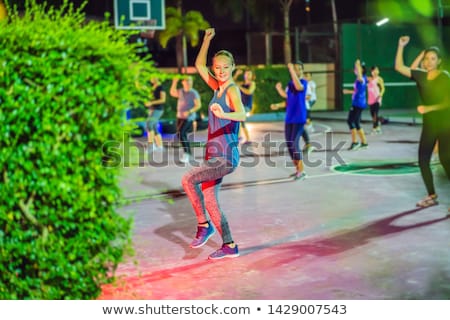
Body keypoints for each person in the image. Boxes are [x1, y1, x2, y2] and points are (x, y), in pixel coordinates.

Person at [181, 28, 246, 260]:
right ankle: (229, 245)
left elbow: (242, 114)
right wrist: (207, 40)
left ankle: (203, 225)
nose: (220, 71)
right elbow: (199, 66)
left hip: (225, 156)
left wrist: (224, 114)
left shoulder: (231, 90)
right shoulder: (217, 87)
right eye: (217, 67)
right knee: (209, 200)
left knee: (188, 179)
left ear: (233, 67)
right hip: (214, 155)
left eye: (225, 67)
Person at [395, 36, 450, 209]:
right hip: (429, 125)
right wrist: (401, 46)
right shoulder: (420, 75)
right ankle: (432, 195)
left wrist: (429, 108)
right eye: (427, 58)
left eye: (433, 58)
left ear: (438, 61)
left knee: (445, 159)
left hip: (445, 123)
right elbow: (399, 67)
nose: (429, 61)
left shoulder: (444, 76)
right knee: (423, 159)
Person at [270, 61, 308, 180]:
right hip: (289, 118)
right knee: (289, 145)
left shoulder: (303, 82)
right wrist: (279, 90)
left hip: (299, 118)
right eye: (295, 69)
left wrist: (291, 70)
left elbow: (299, 87)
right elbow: (288, 97)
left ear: (301, 71)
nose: (297, 71)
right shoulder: (290, 83)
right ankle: (297, 170)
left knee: (295, 144)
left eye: (298, 69)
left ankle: (302, 171)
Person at [170, 76, 201, 163]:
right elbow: (172, 93)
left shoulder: (194, 93)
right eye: (187, 81)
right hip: (179, 116)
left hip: (188, 117)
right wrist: (174, 82)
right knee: (181, 134)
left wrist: (190, 111)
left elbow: (198, 105)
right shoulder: (180, 91)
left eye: (190, 81)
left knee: (182, 133)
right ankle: (188, 153)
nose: (188, 82)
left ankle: (187, 154)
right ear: (183, 82)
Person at [343, 59, 369, 150]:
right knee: (356, 123)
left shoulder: (362, 78)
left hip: (358, 104)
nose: (355, 69)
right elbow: (357, 91)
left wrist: (357, 64)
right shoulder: (360, 79)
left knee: (350, 121)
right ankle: (364, 142)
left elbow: (360, 77)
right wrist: (348, 91)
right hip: (358, 103)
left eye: (357, 68)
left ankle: (355, 142)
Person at [233, 68, 256, 144]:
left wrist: (240, 87)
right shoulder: (241, 83)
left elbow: (249, 92)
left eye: (249, 74)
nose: (247, 75)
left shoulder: (252, 83)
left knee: (239, 119)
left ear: (252, 75)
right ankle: (243, 137)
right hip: (240, 106)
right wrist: (236, 74)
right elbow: (232, 83)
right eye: (246, 74)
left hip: (247, 106)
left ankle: (244, 138)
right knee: (239, 120)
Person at [145, 77, 166, 151]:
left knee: (149, 124)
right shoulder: (152, 87)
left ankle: (151, 146)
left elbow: (163, 100)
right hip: (152, 109)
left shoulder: (161, 87)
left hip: (158, 109)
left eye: (152, 77)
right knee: (154, 127)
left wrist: (151, 102)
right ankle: (160, 146)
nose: (151, 78)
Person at [368, 66, 385, 134]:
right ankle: (378, 126)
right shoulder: (369, 79)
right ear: (371, 71)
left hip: (377, 98)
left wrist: (380, 94)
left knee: (375, 113)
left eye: (377, 70)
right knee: (372, 114)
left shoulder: (379, 79)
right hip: (371, 99)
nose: (375, 71)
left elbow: (383, 88)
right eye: (374, 70)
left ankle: (374, 128)